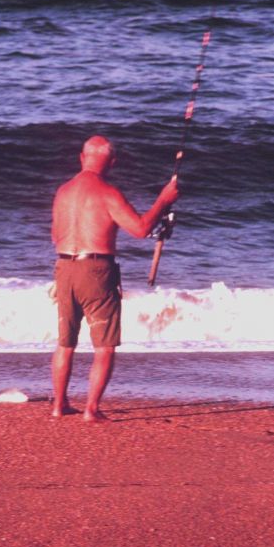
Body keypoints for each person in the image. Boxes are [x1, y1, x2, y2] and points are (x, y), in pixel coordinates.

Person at [51, 135, 179, 422]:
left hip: (64, 268)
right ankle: (91, 410)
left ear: (82, 158)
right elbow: (140, 228)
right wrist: (163, 200)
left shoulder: (63, 191)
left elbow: (55, 236)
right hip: (96, 270)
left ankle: (59, 405)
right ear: (112, 162)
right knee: (104, 345)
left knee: (65, 342)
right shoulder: (107, 192)